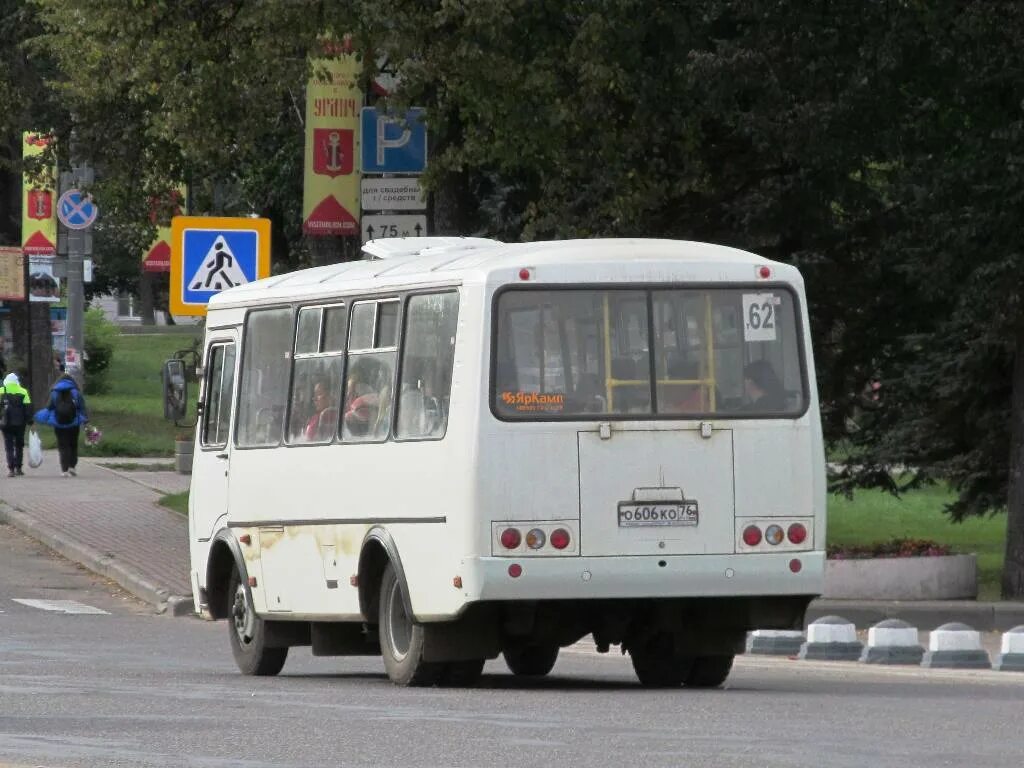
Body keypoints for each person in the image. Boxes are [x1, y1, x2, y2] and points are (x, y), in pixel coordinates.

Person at [34, 372, 88, 477]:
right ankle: (72, 467)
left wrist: (41, 418)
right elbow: (82, 407)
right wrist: (86, 421)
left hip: (59, 424)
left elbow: (49, 407)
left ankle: (64, 470)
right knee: (73, 444)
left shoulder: (54, 392)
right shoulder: (76, 393)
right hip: (73, 423)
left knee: (63, 446)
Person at [0, 372, 33, 477]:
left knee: (8, 446)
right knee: (19, 445)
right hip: (20, 423)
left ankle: (11, 469)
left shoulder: (1, 391)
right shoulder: (23, 391)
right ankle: (19, 468)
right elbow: (28, 408)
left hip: (6, 423)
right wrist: (30, 421)